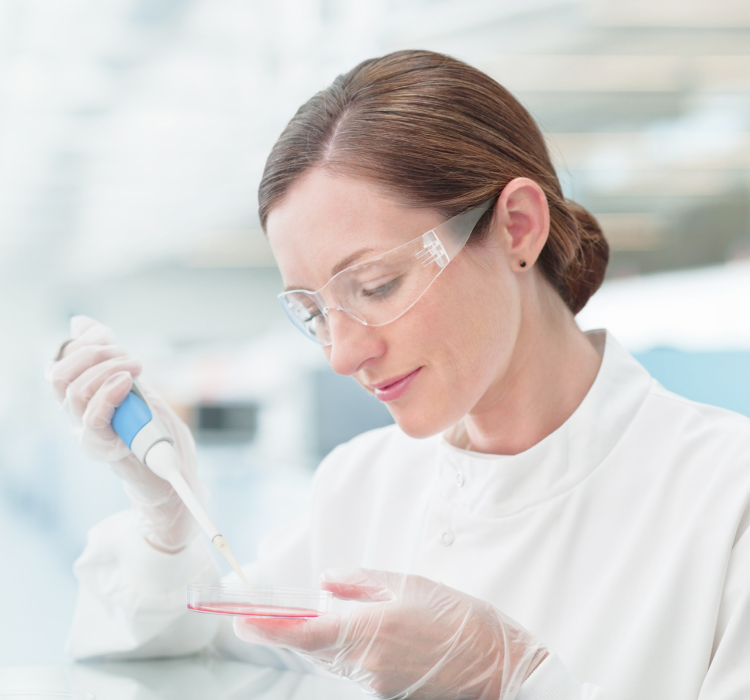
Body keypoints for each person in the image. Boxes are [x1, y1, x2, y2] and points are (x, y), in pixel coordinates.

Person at [46, 50, 750, 700]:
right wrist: (167, 521)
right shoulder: (365, 485)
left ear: (517, 227)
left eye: (376, 285)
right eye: (314, 311)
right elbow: (174, 658)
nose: (343, 355)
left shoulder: (727, 499)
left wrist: (515, 680)